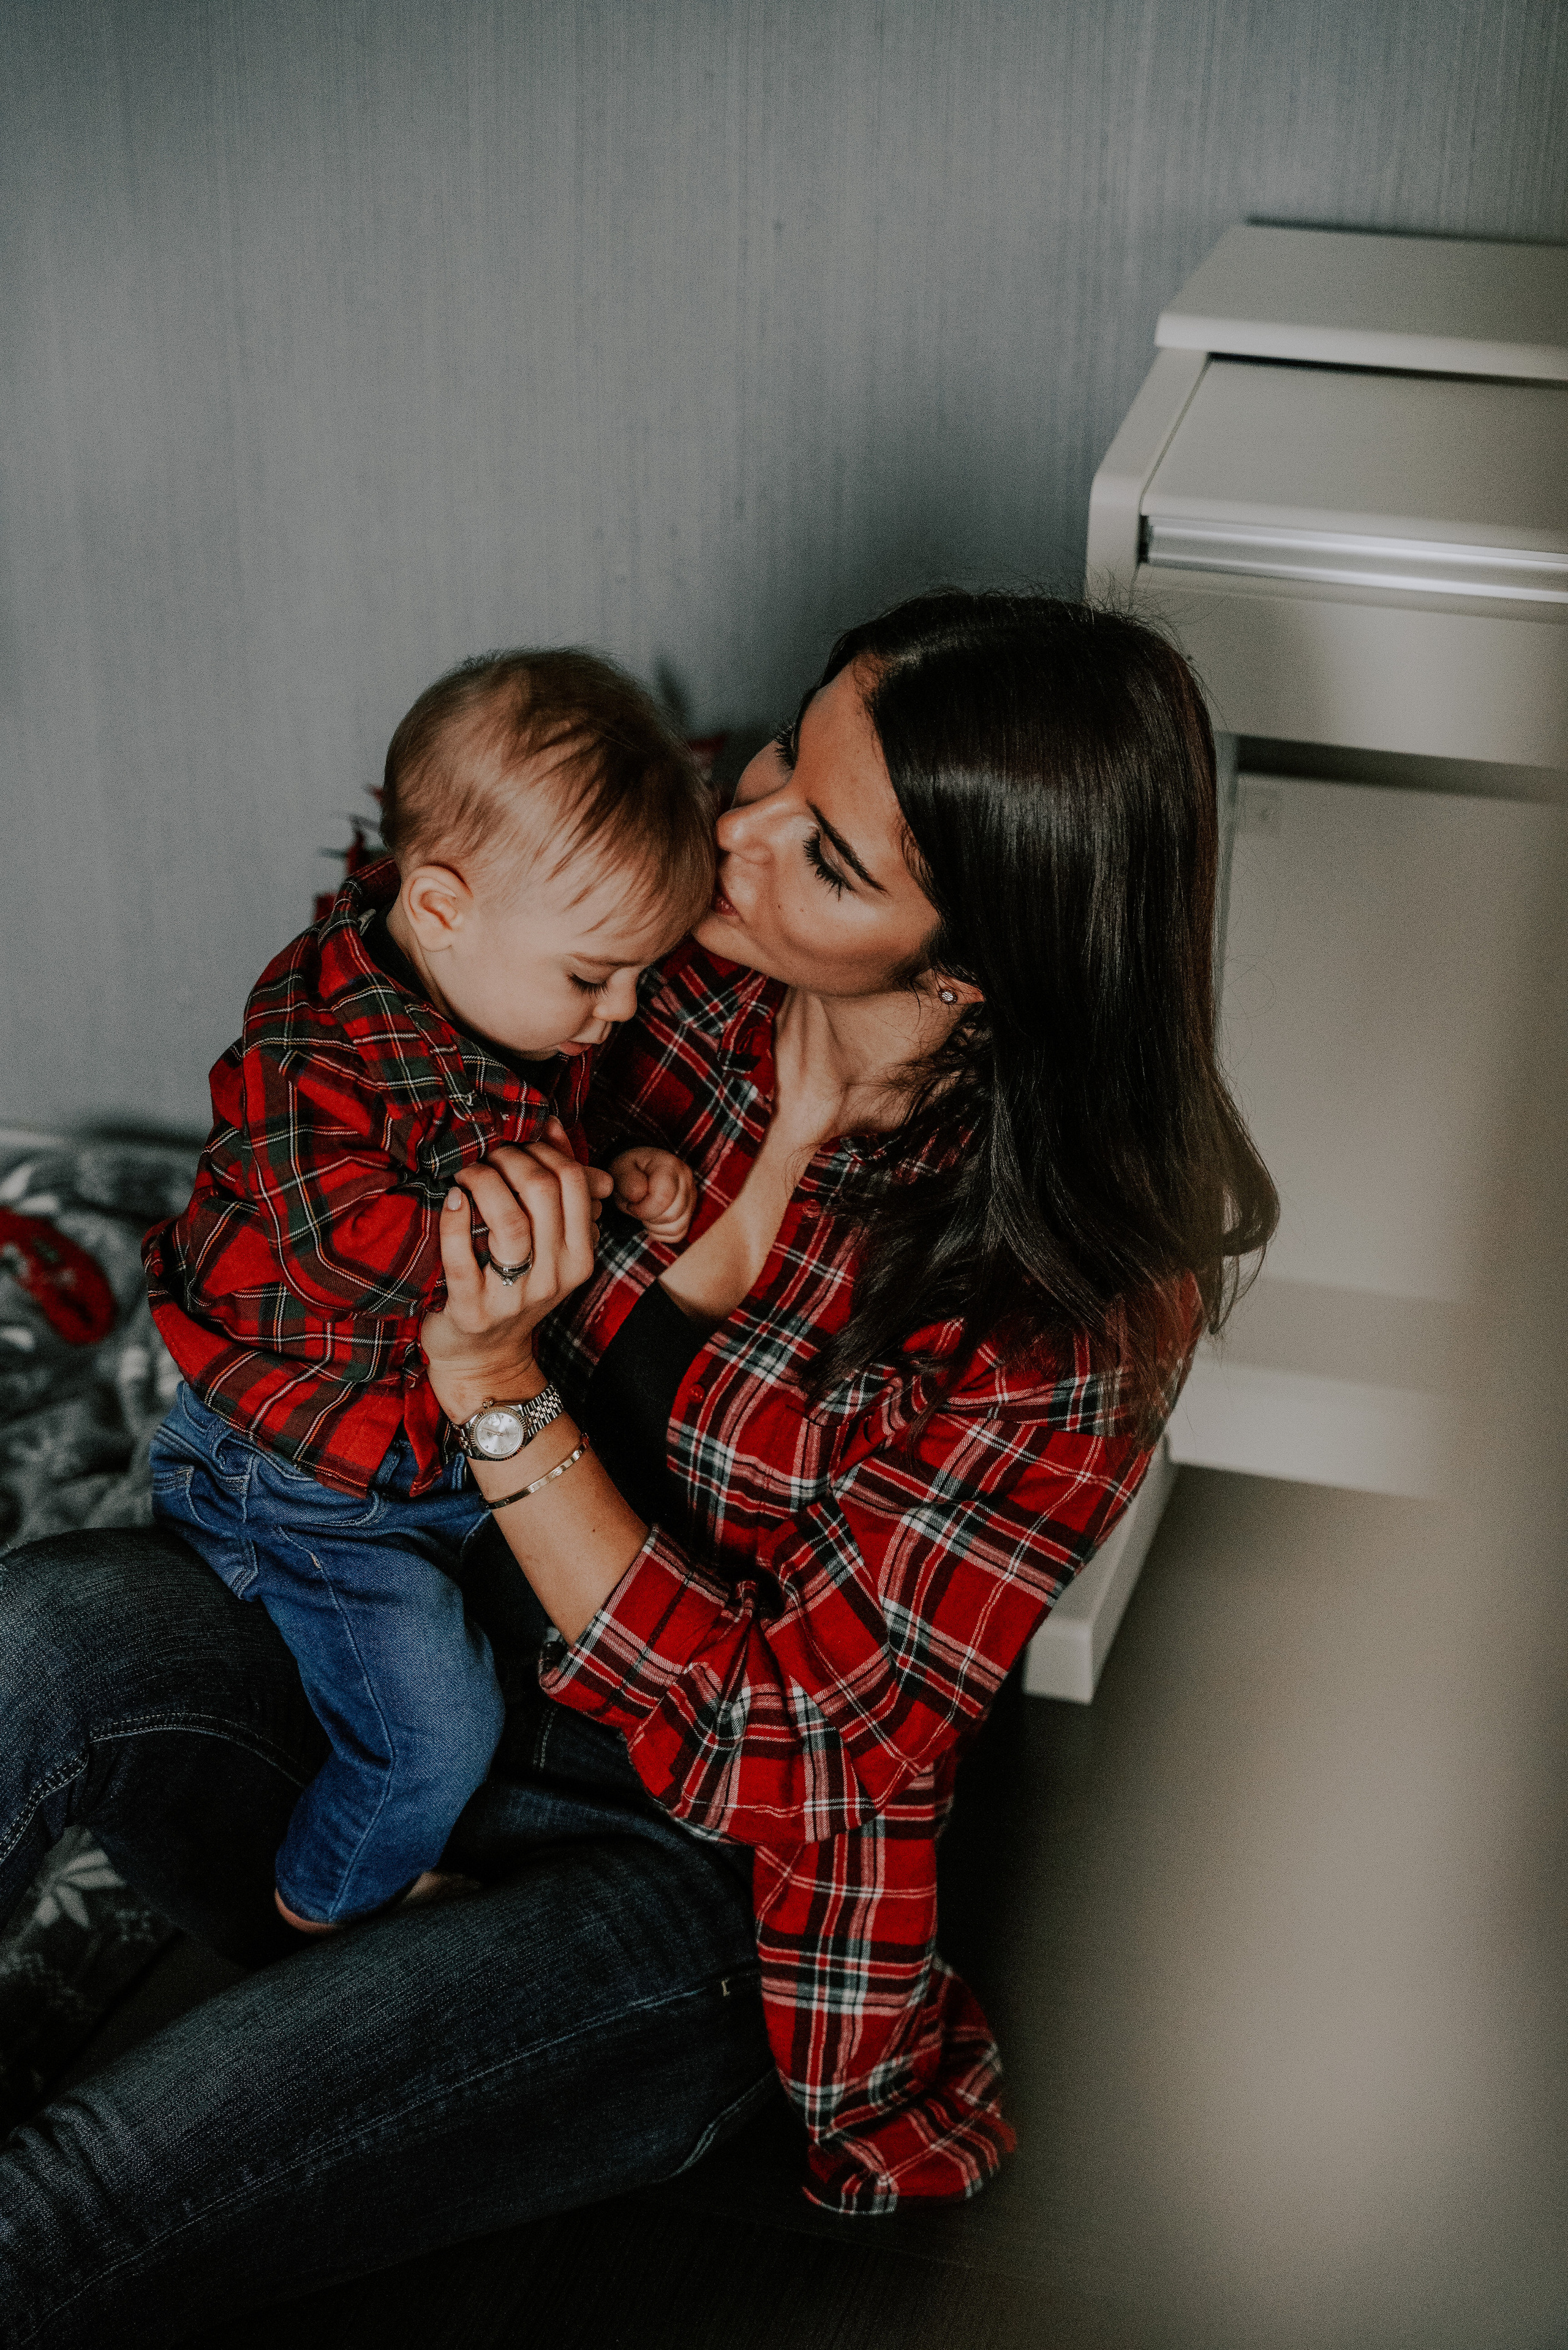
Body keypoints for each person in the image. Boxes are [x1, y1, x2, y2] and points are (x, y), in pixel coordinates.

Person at [0, 591, 1275, 2342]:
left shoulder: (1074, 1308)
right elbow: (383, 960)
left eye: (824, 855)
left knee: (81, 2190)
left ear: (971, 964)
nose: (736, 833)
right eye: (776, 757)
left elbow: (800, 1744)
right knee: (46, 1631)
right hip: (382, 1690)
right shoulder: (668, 951)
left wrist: (498, 1381)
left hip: (675, 1875)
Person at [142, 648, 712, 1930]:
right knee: (435, 1735)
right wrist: (555, 1210)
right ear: (442, 903)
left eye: (636, 976)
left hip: (423, 1457)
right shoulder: (305, 1046)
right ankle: (319, 1909)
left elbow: (532, 1170)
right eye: (592, 974)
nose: (619, 1012)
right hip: (308, 1475)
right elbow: (348, 1241)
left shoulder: (495, 1002)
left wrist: (619, 1180)